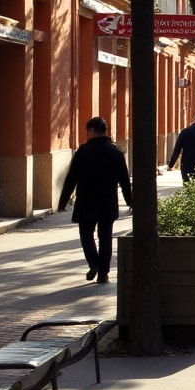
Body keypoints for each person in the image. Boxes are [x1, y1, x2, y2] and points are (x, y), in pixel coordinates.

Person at [58, 116, 134, 284]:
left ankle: (94, 263)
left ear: (92, 131)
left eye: (87, 132)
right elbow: (124, 181)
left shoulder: (83, 151)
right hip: (108, 201)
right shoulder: (116, 153)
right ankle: (103, 273)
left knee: (86, 235)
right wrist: (130, 202)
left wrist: (63, 202)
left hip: (86, 201)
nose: (86, 135)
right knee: (105, 237)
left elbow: (72, 178)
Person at [168, 111, 195, 183]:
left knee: (188, 186)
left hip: (187, 165)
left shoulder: (185, 131)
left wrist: (171, 164)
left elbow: (177, 148)